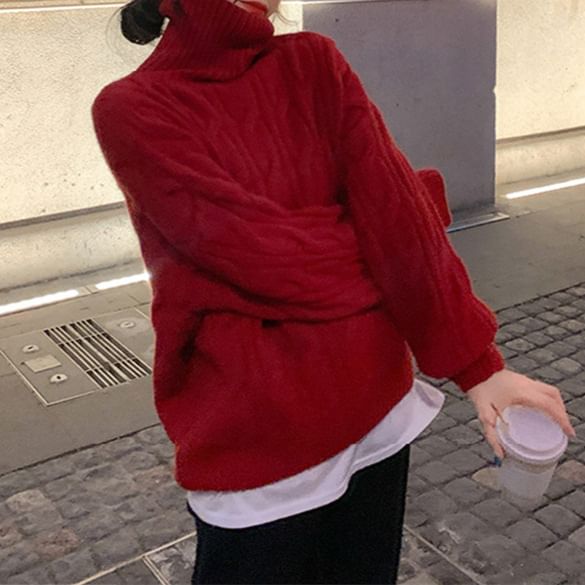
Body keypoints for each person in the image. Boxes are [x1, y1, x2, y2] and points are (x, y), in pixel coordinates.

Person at [91, 0, 576, 582]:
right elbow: (266, 257)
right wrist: (376, 249)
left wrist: (479, 367)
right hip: (259, 441)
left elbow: (396, 215)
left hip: (377, 411)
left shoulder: (314, 60)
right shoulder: (132, 107)